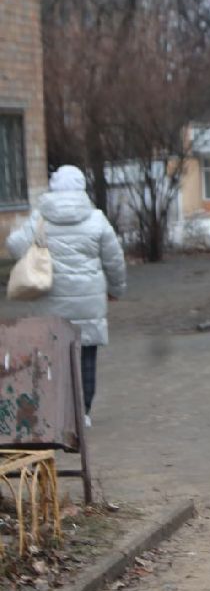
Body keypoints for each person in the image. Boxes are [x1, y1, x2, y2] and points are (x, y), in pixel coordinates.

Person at [5, 165, 126, 421]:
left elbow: (14, 246)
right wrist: (116, 290)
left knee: (53, 356)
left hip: (50, 302)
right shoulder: (97, 218)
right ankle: (84, 412)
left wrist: (38, 248)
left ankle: (58, 411)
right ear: (82, 187)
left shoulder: (41, 218)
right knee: (87, 358)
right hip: (89, 302)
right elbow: (114, 259)